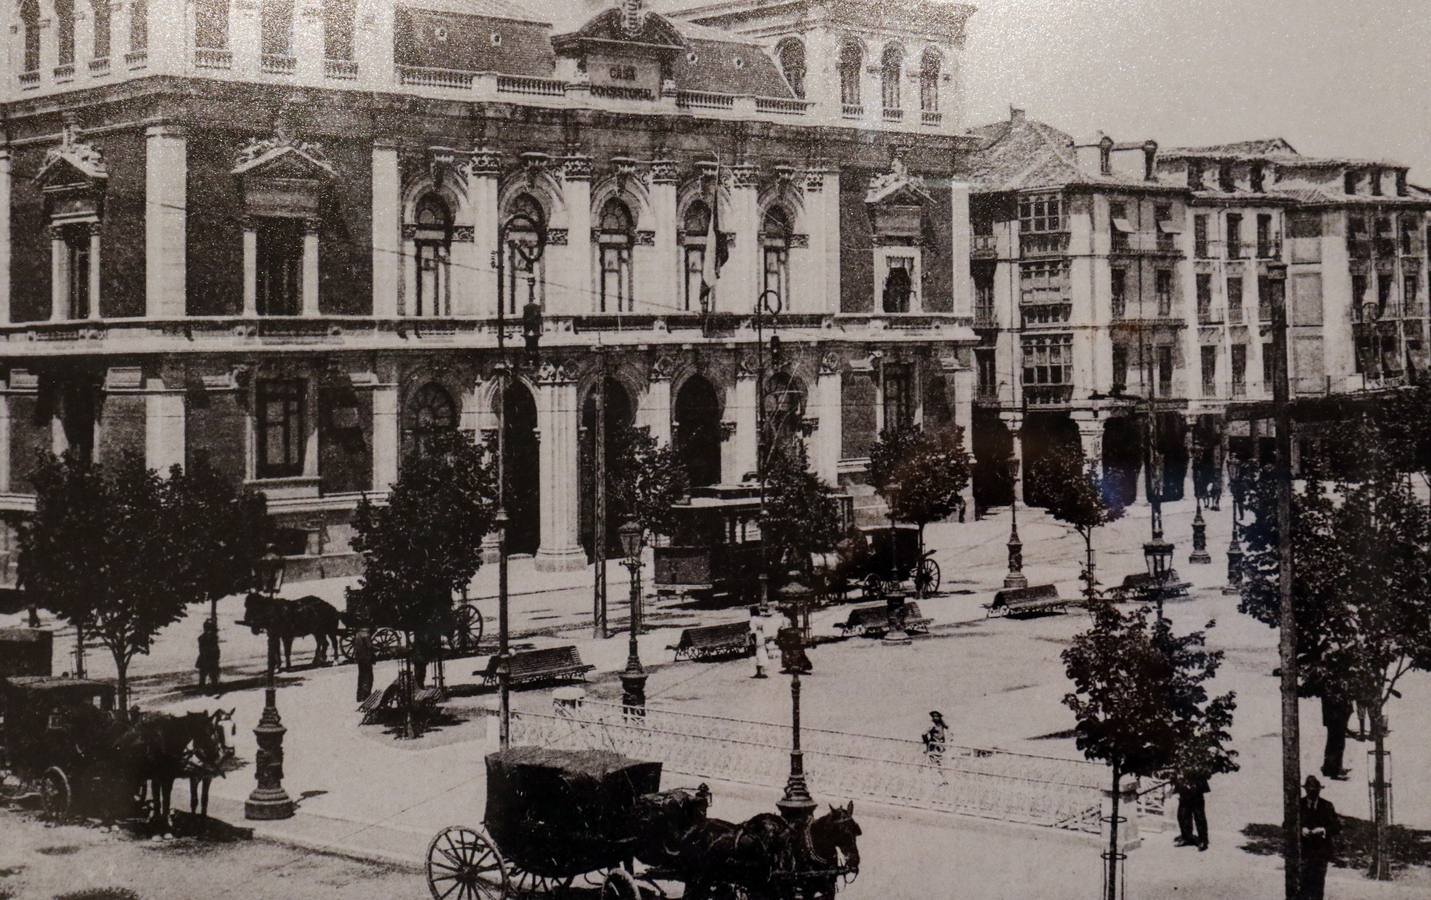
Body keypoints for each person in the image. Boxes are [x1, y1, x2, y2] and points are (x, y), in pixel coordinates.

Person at [1299, 775, 1340, 900]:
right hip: (1303, 852)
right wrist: (1301, 830)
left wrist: (1323, 830)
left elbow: (1336, 827)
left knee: (1318, 887)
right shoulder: (1298, 805)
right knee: (1303, 887)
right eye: (1309, 791)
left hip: (1320, 853)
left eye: (1315, 791)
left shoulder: (1327, 806)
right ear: (1305, 790)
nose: (1312, 794)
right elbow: (1287, 824)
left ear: (1319, 790)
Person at [1172, 772, 1211, 851]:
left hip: (1196, 788)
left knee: (1199, 816)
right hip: (1183, 788)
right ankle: (1186, 837)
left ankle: (1203, 841)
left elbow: (1205, 772)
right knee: (1182, 815)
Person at [1321, 693, 1352, 780]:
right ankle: (1334, 771)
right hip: (1335, 719)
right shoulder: (1332, 686)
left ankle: (1331, 768)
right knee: (1336, 745)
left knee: (1334, 744)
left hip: (1336, 719)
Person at [196, 619, 221, 692]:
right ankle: (205, 688)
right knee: (205, 675)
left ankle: (213, 687)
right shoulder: (206, 638)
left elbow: (216, 649)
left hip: (208, 658)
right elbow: (205, 649)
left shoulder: (210, 637)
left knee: (211, 675)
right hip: (207, 658)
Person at [352, 627, 375, 703]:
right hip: (366, 659)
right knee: (369, 677)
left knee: (361, 677)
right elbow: (370, 647)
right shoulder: (366, 635)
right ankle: (366, 695)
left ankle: (359, 696)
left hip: (360, 659)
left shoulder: (358, 634)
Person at [749, 606, 771, 679]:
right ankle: (761, 671)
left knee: (758, 654)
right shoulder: (760, 619)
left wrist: (753, 641)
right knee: (762, 652)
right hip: (761, 635)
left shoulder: (753, 619)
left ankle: (760, 672)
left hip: (757, 637)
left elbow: (753, 632)